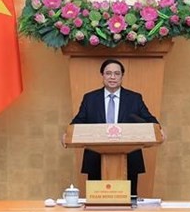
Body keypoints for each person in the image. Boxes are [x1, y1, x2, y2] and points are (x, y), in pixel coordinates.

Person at [69, 59, 160, 196]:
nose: (112, 77)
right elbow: (78, 121)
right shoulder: (90, 98)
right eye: (108, 73)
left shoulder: (134, 98)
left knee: (127, 203)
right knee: (97, 203)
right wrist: (68, 133)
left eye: (117, 73)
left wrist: (158, 128)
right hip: (95, 159)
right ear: (102, 75)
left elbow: (149, 120)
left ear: (122, 76)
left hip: (129, 160)